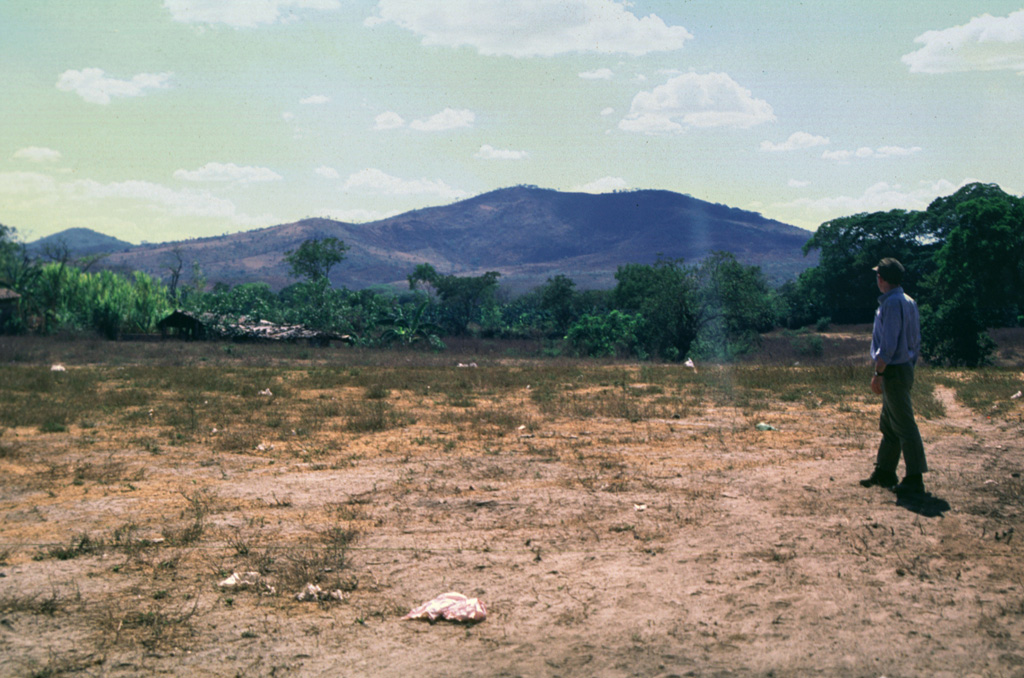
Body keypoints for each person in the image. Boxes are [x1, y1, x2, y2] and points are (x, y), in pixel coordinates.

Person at [860, 257, 928, 495]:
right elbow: (915, 341)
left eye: (878, 276)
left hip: (893, 370)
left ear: (882, 279)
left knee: (904, 425)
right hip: (904, 367)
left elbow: (888, 345)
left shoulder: (890, 304)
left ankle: (915, 477)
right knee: (889, 425)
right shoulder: (909, 301)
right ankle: (885, 472)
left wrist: (879, 372)